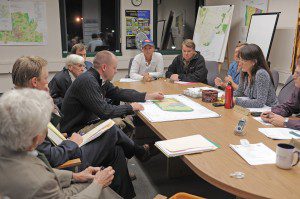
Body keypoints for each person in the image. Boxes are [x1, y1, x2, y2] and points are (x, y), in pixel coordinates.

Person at [11, 56, 150, 199]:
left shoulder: (19, 102)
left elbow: (44, 146)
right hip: (67, 159)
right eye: (45, 78)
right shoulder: (26, 112)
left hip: (63, 145)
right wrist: (71, 143)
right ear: (34, 82)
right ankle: (138, 153)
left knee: (116, 150)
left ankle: (126, 194)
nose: (48, 84)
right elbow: (50, 158)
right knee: (112, 131)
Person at [0, 88, 121, 199]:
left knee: (115, 154)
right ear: (35, 139)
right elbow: (41, 179)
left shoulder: (9, 148)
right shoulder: (41, 183)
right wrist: (98, 184)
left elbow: (38, 168)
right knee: (101, 189)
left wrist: (75, 176)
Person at [61, 50, 164, 134]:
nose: (116, 71)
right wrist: (130, 107)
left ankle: (136, 151)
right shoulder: (88, 80)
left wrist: (147, 96)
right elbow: (105, 111)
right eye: (114, 68)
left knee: (122, 121)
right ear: (104, 67)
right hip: (74, 131)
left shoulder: (98, 79)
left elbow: (118, 92)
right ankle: (137, 151)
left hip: (86, 122)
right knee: (118, 123)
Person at [232, 44, 278, 108]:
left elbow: (260, 103)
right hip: (254, 109)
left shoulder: (261, 74)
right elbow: (240, 92)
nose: (240, 63)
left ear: (254, 62)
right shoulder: (244, 71)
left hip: (269, 110)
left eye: (244, 60)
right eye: (240, 59)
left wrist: (236, 101)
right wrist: (227, 95)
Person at [261, 60, 300, 130]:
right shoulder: (298, 88)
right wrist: (272, 113)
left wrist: (286, 122)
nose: (293, 76)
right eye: (295, 72)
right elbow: (289, 107)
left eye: (298, 73)